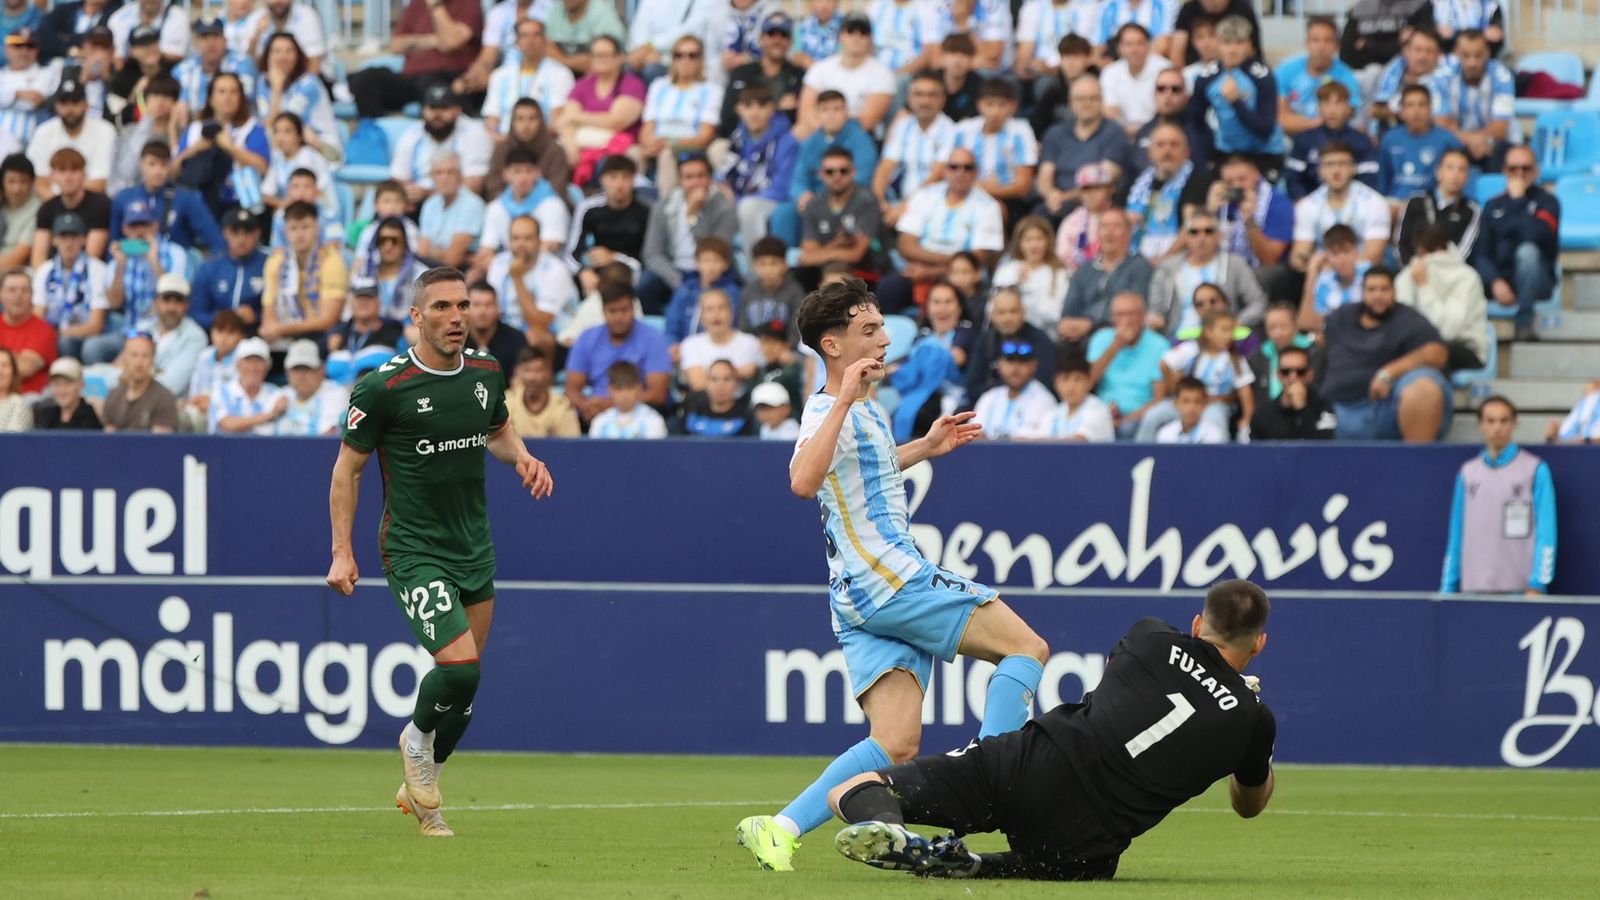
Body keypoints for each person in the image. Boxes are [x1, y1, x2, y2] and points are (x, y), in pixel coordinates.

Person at [736, 276, 1049, 873]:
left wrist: (923, 449)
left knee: (895, 743)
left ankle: (778, 827)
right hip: (893, 582)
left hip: (856, 597)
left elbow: (858, 472)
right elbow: (803, 481)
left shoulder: (863, 409)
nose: (885, 339)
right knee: (1026, 648)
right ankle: (990, 779)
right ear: (833, 346)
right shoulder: (833, 407)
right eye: (869, 330)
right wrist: (847, 401)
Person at [826, 579, 1274, 881]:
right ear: (1259, 642)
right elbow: (1248, 804)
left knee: (853, 788)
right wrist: (1252, 739)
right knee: (1089, 865)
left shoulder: (1152, 636)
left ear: (1198, 625)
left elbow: (1124, 681)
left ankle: (893, 828)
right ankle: (977, 865)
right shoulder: (1253, 721)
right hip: (1087, 834)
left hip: (1030, 766)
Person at [327, 266, 555, 838]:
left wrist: (523, 457)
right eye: (443, 308)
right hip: (412, 548)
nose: (456, 318)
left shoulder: (484, 372)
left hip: (472, 546)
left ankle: (423, 797)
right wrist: (341, 552)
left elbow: (498, 430)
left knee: (465, 689)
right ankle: (415, 741)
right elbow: (346, 470)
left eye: (464, 306)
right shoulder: (382, 387)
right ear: (417, 316)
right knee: (459, 665)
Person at [1442, 396, 1557, 596]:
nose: (1497, 428)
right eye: (1491, 421)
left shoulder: (1535, 469)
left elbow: (1547, 531)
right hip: (1473, 590)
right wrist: (1448, 587)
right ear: (1480, 425)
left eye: (1504, 421)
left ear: (1515, 424)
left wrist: (1537, 584)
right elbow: (1457, 532)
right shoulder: (1467, 473)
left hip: (1520, 591)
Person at [1321, 267, 1451, 442]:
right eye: (1372, 289)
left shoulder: (1408, 319)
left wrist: (1389, 372)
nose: (1378, 295)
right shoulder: (1342, 316)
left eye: (1384, 289)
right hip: (1334, 410)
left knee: (1424, 388)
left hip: (1382, 409)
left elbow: (1437, 353)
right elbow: (1315, 336)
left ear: (1394, 292)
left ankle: (1417, 463)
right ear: (1362, 292)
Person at [878, 147, 1005, 315]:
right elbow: (905, 245)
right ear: (945, 170)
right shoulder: (925, 195)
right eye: (954, 167)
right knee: (887, 289)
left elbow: (977, 259)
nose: (960, 172)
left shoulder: (988, 206)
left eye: (967, 167)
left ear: (976, 172)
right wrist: (948, 260)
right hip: (920, 270)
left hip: (961, 277)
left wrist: (932, 271)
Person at [1473, 147, 1559, 343]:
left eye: (1525, 168)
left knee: (1527, 252)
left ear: (1536, 171)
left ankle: (1523, 323)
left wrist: (1518, 201)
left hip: (1538, 280)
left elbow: (1535, 236)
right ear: (1504, 170)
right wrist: (1495, 282)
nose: (1519, 174)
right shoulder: (1492, 205)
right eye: (1513, 169)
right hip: (1500, 280)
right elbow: (1482, 254)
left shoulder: (1548, 202)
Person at [347, 0, 484, 119]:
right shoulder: (417, 3)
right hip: (412, 77)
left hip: (446, 77)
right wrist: (434, 40)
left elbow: (451, 41)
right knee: (366, 80)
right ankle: (377, 134)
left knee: (436, 92)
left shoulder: (469, 3)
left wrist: (436, 5)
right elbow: (395, 46)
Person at [774, 89, 877, 247]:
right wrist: (802, 195)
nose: (831, 115)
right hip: (814, 200)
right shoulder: (810, 142)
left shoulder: (861, 140)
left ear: (846, 112)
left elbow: (861, 178)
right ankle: (785, 263)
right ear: (817, 114)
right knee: (784, 213)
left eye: (837, 109)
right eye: (825, 110)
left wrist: (820, 201)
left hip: (847, 199)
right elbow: (798, 178)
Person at [639, 152, 735, 314]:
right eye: (689, 177)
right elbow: (652, 253)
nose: (695, 182)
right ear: (680, 180)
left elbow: (716, 252)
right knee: (645, 286)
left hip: (710, 270)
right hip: (674, 270)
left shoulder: (723, 208)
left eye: (701, 176)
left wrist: (694, 216)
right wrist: (677, 280)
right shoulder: (664, 206)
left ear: (710, 178)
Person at [1137, 306, 1253, 440]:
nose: (1229, 335)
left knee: (1215, 419)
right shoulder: (1191, 349)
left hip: (1215, 404)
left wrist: (1246, 417)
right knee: (1153, 415)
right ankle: (1142, 456)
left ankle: (1219, 457)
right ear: (1208, 331)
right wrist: (1174, 389)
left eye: (1231, 330)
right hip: (1186, 402)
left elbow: (1245, 391)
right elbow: (1164, 363)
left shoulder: (1235, 359)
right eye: (1224, 330)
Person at [565, 281, 673, 423]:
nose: (619, 317)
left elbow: (657, 395)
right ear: (603, 311)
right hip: (593, 413)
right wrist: (586, 407)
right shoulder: (587, 337)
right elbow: (572, 389)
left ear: (633, 309)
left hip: (641, 415)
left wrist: (609, 405)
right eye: (612, 311)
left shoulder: (652, 338)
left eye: (624, 310)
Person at [1148, 210, 1265, 339]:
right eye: (1194, 232)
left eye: (1208, 231)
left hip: (1223, 339)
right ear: (1185, 237)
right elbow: (1155, 310)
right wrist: (1154, 319)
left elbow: (1258, 303)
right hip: (1179, 338)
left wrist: (1236, 322)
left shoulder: (1234, 264)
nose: (1201, 237)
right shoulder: (1167, 269)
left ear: (1218, 236)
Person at [1186, 16, 1281, 173]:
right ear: (1218, 44)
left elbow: (1265, 129)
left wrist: (1236, 101)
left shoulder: (1262, 75)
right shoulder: (1206, 77)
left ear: (1249, 45)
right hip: (1226, 153)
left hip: (1264, 153)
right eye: (1227, 42)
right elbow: (1195, 122)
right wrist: (1200, 161)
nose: (1232, 49)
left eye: (1239, 42)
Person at [1035, 74, 1133, 225]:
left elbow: (1104, 178)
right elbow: (1045, 176)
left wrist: (1064, 197)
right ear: (1070, 102)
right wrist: (1051, 195)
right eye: (1080, 99)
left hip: (1095, 201)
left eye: (1093, 98)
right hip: (1057, 201)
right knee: (1038, 216)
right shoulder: (1055, 133)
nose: (1087, 104)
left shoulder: (1115, 132)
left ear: (1101, 101)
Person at [172, 72, 269, 218]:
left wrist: (230, 148)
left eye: (233, 92)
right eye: (221, 91)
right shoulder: (195, 129)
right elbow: (173, 172)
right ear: (211, 98)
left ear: (241, 98)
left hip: (241, 203)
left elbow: (262, 168)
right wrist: (196, 149)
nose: (228, 97)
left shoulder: (253, 129)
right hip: (199, 201)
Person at [1396, 223, 1489, 371]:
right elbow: (1400, 323)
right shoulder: (1409, 275)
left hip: (1464, 348)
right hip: (1418, 347)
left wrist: (1424, 287)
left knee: (1434, 355)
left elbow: (1448, 330)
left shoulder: (1467, 278)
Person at [638, 35, 722, 194]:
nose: (685, 60)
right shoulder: (659, 86)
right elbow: (647, 127)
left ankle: (665, 208)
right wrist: (649, 145)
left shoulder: (711, 90)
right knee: (632, 154)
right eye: (679, 55)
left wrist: (669, 143)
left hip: (687, 145)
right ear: (672, 59)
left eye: (692, 55)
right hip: (657, 143)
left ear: (700, 60)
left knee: (666, 155)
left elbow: (705, 136)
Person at [557, 35, 646, 185]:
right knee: (557, 152)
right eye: (596, 55)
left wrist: (578, 117)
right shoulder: (582, 85)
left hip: (618, 147)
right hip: (582, 144)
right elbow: (565, 120)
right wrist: (571, 146)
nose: (599, 59)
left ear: (618, 58)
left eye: (605, 55)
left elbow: (616, 121)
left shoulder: (632, 84)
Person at [721, 83, 797, 256]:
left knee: (748, 207)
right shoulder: (737, 137)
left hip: (773, 199)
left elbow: (782, 188)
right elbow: (724, 175)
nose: (754, 113)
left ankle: (755, 274)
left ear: (771, 109)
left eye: (761, 106)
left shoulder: (787, 141)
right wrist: (724, 189)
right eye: (748, 106)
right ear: (739, 109)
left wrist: (740, 200)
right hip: (741, 196)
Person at [1291, 142, 1390, 271]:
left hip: (1364, 274)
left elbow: (1374, 256)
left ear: (1353, 168)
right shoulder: (1307, 206)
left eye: (1343, 164)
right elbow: (1298, 257)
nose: (1336, 170)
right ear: (1320, 170)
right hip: (1322, 275)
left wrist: (1338, 270)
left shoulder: (1375, 203)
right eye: (1329, 164)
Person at [873, 72, 955, 229]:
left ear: (942, 100)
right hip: (899, 201)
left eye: (932, 95)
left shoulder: (951, 131)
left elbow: (936, 177)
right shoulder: (903, 126)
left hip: (935, 201)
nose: (925, 101)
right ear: (910, 99)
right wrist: (879, 201)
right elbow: (886, 166)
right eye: (919, 94)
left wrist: (904, 208)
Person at [794, 12, 894, 140]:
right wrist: (827, 135)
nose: (856, 37)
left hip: (857, 137)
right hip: (819, 133)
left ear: (870, 39)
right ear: (840, 36)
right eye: (851, 31)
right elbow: (805, 114)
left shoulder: (882, 74)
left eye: (863, 32)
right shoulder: (820, 68)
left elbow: (868, 121)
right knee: (798, 131)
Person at [260, 201, 346, 348]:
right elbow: (268, 312)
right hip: (284, 333)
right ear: (286, 232)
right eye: (293, 228)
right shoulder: (275, 262)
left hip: (320, 335)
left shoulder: (332, 261)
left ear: (317, 229)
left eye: (305, 227)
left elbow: (328, 320)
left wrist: (281, 329)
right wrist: (272, 329)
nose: (300, 234)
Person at [485, 215, 578, 352]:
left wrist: (517, 279)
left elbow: (540, 323)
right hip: (507, 330)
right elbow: (492, 306)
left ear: (539, 241)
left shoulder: (554, 269)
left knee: (535, 336)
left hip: (554, 338)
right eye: (516, 238)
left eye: (527, 238)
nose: (521, 243)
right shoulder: (499, 263)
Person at [111, 141, 225, 252]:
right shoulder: (124, 198)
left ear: (170, 165)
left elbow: (214, 237)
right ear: (141, 164)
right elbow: (114, 243)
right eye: (152, 164)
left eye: (164, 164)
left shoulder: (185, 198)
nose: (158, 171)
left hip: (176, 263)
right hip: (134, 262)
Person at [1061, 210, 1153, 346]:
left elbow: (1134, 310)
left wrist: (1092, 325)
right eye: (1104, 227)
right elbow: (1068, 313)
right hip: (1079, 339)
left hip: (1120, 338)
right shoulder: (1084, 271)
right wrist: (1069, 325)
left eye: (1116, 226)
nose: (1109, 233)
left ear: (1129, 234)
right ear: (1097, 233)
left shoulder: (1139, 267)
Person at [798, 147, 884, 287]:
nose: (836, 176)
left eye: (843, 171)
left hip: (866, 268)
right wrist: (836, 245)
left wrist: (819, 254)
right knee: (800, 274)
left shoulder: (867, 202)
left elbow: (856, 254)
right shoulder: (813, 204)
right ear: (821, 174)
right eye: (830, 171)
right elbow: (808, 253)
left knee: (837, 277)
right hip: (825, 268)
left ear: (853, 172)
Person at [391, 86, 493, 204]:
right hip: (414, 202)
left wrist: (427, 194)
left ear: (457, 110)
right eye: (432, 108)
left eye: (444, 108)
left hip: (458, 203)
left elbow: (473, 186)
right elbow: (397, 178)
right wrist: (407, 193)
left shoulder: (474, 133)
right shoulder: (412, 134)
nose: (437, 114)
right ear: (423, 110)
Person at [1087, 292, 1169, 438]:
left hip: (1141, 415)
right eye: (1120, 315)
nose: (1126, 320)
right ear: (1112, 318)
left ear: (1144, 316)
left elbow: (1159, 398)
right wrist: (1116, 345)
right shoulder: (1101, 338)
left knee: (1127, 429)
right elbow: (1088, 381)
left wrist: (1126, 420)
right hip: (1104, 412)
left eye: (1132, 314)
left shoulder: (1159, 344)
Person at [1283, 81, 1378, 203]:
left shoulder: (1361, 140)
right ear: (1319, 107)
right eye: (1326, 103)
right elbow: (1293, 178)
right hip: (1311, 205)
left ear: (1348, 107)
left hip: (1353, 206)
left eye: (1338, 103)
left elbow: (1369, 181)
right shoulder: (1305, 139)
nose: (1331, 110)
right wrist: (1304, 204)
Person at [718, 11, 804, 143]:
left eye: (783, 35)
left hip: (782, 142)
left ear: (790, 41)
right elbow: (728, 116)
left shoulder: (799, 74)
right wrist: (777, 109)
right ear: (761, 38)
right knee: (719, 148)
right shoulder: (741, 72)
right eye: (771, 34)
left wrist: (750, 110)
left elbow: (798, 118)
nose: (777, 40)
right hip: (740, 139)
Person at [33, 211, 108, 359]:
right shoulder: (45, 271)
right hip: (53, 332)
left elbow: (96, 324)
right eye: (63, 237)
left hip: (84, 335)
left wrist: (60, 333)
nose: (68, 243)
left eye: (73, 237)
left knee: (67, 343)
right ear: (54, 240)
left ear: (83, 240)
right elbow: (38, 315)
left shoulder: (98, 269)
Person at [482, 20, 575, 139]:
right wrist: (500, 139)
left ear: (544, 40)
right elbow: (491, 119)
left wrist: (526, 141)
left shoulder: (561, 74)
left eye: (536, 35)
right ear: (516, 41)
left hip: (544, 143)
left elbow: (557, 119)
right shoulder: (500, 75)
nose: (530, 41)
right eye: (525, 35)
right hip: (505, 142)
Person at [254, 32, 339, 161]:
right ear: (268, 56)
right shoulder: (262, 82)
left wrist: (277, 90)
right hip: (288, 146)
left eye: (289, 51)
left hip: (321, 146)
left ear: (297, 55)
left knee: (281, 134)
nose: (283, 57)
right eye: (276, 51)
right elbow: (267, 124)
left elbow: (285, 124)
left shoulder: (309, 83)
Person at [1437, 29, 1514, 170]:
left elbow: (1500, 128)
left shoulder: (1502, 77)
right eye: (1466, 56)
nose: (1472, 63)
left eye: (1478, 55)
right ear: (1457, 53)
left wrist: (1475, 140)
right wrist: (1470, 140)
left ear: (1487, 53)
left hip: (1491, 143)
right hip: (1456, 142)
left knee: (1504, 153)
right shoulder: (1443, 77)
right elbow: (1441, 124)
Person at [1274, 15, 1361, 137]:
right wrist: (1315, 124)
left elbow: (1343, 120)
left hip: (1331, 138)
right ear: (1307, 43)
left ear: (1336, 46)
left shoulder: (1346, 76)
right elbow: (1280, 119)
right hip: (1290, 136)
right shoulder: (1285, 70)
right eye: (1315, 40)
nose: (1321, 47)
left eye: (1327, 41)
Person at [1126, 123, 1202, 262]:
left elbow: (1192, 227)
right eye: (1160, 145)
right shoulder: (1139, 183)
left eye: (1174, 145)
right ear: (1150, 153)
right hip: (1137, 258)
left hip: (1178, 260)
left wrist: (1162, 261)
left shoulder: (1197, 179)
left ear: (1186, 152)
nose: (1167, 151)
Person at [566, 154, 649, 281]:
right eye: (613, 177)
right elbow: (571, 252)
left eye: (625, 178)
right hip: (598, 268)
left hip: (634, 271)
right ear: (602, 180)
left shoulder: (646, 211)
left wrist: (614, 257)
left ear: (633, 181)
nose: (619, 184)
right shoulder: (588, 207)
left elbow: (649, 258)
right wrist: (582, 272)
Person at [965, 286, 1056, 400]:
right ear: (991, 315)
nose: (1007, 318)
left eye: (1013, 311)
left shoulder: (1040, 340)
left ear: (1024, 313)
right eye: (1001, 312)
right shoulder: (985, 340)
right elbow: (972, 387)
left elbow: (1045, 383)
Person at [1378, 85, 1462, 205]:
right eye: (1410, 105)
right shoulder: (1390, 139)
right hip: (1395, 204)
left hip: (1433, 205)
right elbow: (1384, 179)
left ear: (1430, 109)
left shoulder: (1448, 140)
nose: (1416, 111)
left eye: (1422, 105)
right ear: (1401, 112)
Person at [1395, 148, 1478, 266]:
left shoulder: (1471, 210)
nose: (1455, 175)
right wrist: (1410, 269)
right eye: (1450, 168)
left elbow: (1463, 250)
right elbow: (1400, 242)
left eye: (1462, 170)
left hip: (1448, 274)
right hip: (1412, 271)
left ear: (1467, 178)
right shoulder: (1414, 201)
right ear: (1438, 172)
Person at [189, 207, 266, 331]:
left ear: (257, 233)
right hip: (215, 335)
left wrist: (257, 316)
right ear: (225, 233)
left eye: (248, 232)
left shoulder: (269, 265)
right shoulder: (210, 267)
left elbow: (282, 311)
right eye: (235, 232)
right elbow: (196, 312)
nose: (242, 239)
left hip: (256, 335)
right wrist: (224, 319)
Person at [172, 18, 257, 126]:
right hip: (196, 129)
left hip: (236, 127)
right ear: (196, 43)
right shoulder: (183, 70)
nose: (210, 43)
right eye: (205, 37)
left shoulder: (242, 63)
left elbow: (240, 102)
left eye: (215, 36)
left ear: (225, 41)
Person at [992, 217, 1070, 333]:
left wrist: (1026, 294)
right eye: (1028, 240)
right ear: (1020, 243)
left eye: (1039, 239)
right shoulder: (1006, 270)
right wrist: (1016, 285)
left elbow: (1056, 314)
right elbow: (993, 308)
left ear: (1048, 241)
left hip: (1045, 334)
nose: (1034, 245)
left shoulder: (1059, 273)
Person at [486, 98, 572, 203]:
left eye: (532, 119)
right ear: (512, 122)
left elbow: (558, 190)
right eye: (520, 119)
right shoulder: (501, 150)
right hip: (509, 208)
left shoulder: (555, 151)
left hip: (545, 207)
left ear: (541, 121)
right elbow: (494, 188)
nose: (526, 125)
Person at [415, 151, 486, 271]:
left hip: (461, 272)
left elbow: (452, 259)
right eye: (439, 173)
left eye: (450, 172)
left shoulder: (472, 204)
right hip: (430, 269)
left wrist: (431, 250)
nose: (444, 178)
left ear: (460, 176)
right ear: (432, 177)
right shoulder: (430, 204)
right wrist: (441, 252)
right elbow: (422, 251)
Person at [1022, 352, 1115, 442]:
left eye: (1077, 379)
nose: (1071, 387)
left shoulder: (1098, 410)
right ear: (1056, 383)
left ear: (1089, 382)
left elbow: (1079, 441)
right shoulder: (1053, 413)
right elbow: (1038, 440)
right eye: (1065, 379)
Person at [971, 340, 1055, 439]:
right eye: (1010, 361)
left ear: (1034, 365)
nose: (1015, 368)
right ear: (999, 364)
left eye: (1022, 362)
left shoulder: (1043, 399)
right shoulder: (990, 397)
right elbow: (973, 433)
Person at [1250, 344, 1335, 440]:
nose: (1293, 377)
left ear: (1310, 375)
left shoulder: (1324, 408)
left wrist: (1302, 409)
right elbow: (1255, 451)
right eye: (1286, 372)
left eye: (1300, 372)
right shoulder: (1263, 413)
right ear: (1278, 375)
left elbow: (1325, 448)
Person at [1297, 224, 1370, 334]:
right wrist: (1312, 275)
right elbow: (1306, 324)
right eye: (1335, 254)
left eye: (1346, 252)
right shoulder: (1324, 282)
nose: (1341, 260)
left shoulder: (1370, 274)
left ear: (1356, 252)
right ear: (1327, 257)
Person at [1100, 24, 1173, 134]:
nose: (1134, 49)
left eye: (1140, 43)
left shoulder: (1165, 69)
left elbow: (1170, 110)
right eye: (1129, 44)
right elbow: (1109, 112)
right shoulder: (1110, 73)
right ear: (1119, 48)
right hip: (1121, 134)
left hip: (1158, 132)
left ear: (1149, 45)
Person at [209, 334, 286, 434]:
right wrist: (268, 416)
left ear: (267, 367)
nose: (253, 368)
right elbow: (227, 424)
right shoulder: (221, 391)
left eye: (258, 362)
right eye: (248, 361)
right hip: (225, 448)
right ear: (238, 365)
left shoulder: (276, 393)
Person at [102, 331, 177, 432]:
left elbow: (161, 443)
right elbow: (108, 440)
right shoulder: (113, 396)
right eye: (134, 355)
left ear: (152, 359)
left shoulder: (164, 398)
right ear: (124, 359)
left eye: (145, 356)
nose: (139, 362)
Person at [272, 339, 348, 436]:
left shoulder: (335, 392)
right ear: (287, 372)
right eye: (296, 370)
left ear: (321, 370)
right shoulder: (281, 394)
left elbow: (327, 436)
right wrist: (272, 414)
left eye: (307, 369)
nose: (301, 376)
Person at [505, 344, 580, 437]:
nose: (533, 377)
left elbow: (571, 445)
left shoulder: (562, 406)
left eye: (538, 370)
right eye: (527, 370)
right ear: (518, 371)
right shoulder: (508, 401)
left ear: (549, 372)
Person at [673, 357, 757, 436]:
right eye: (714, 379)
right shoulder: (691, 413)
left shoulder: (747, 418)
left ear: (737, 383)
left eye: (727, 379)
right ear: (706, 382)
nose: (720, 385)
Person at [0, 264, 51, 392]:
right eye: (12, 290)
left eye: (24, 290)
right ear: (1, 294)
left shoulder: (43, 330)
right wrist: (16, 358)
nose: (18, 296)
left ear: (32, 295)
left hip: (27, 400)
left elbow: (23, 368)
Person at [740, 236, 804, 337]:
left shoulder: (795, 292)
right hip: (754, 349)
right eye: (762, 264)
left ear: (785, 265)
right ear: (754, 266)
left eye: (774, 263)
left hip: (786, 349)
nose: (768, 269)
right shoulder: (748, 292)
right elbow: (744, 328)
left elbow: (798, 329)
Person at [587, 359, 668, 438]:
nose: (624, 395)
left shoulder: (653, 421)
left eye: (629, 388)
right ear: (610, 390)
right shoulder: (600, 422)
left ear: (638, 388)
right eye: (619, 389)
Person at [543, 0, 627, 76]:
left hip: (595, 80)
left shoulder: (602, 11)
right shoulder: (555, 11)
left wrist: (559, 58)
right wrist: (568, 62)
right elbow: (544, 46)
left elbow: (606, 56)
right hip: (559, 78)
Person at [462, 281, 528, 374]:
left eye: (488, 305)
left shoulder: (516, 339)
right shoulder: (457, 338)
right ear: (466, 308)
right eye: (476, 305)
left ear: (498, 308)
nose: (482, 311)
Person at [32, 356, 101, 429]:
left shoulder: (89, 416)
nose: (62, 391)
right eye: (57, 384)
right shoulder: (46, 414)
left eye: (68, 384)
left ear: (81, 385)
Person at [1154, 376, 1227, 443]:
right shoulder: (1165, 434)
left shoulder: (1215, 435)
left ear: (1205, 404)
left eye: (1198, 401)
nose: (1192, 407)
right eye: (1186, 401)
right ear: (1176, 404)